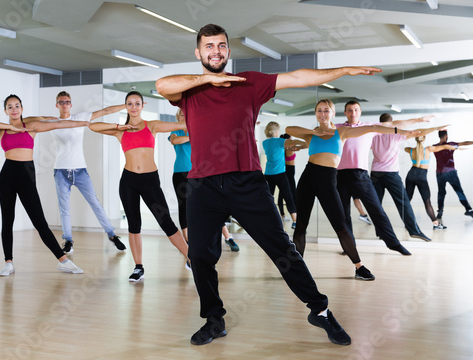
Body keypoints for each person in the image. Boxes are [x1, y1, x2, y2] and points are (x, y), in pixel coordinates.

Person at [156, 23, 382, 346]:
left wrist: (343, 70)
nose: (216, 51)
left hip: (246, 181)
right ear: (199, 52)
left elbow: (298, 77)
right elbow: (162, 84)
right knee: (201, 256)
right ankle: (214, 318)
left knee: (282, 250)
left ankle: (319, 309)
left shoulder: (249, 82)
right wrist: (207, 78)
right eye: (209, 47)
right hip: (202, 185)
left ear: (228, 51)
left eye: (221, 45)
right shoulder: (189, 90)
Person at [287, 99, 417, 281]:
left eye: (326, 111)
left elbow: (373, 128)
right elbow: (289, 130)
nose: (322, 114)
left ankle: (359, 267)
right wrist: (314, 131)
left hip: (328, 180)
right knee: (301, 225)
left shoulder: (342, 131)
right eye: (319, 111)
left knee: (340, 226)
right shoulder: (312, 135)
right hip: (308, 177)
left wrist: (397, 131)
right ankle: (297, 269)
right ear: (316, 113)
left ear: (333, 113)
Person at [0, 94, 87, 276]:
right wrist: (9, 126)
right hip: (6, 176)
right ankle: (8, 262)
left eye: (17, 106)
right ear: (5, 110)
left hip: (25, 176)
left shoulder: (30, 127)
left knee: (40, 222)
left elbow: (59, 124)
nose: (14, 109)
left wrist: (84, 124)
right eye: (10, 107)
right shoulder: (1, 131)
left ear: (22, 109)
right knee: (7, 220)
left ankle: (63, 261)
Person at [89, 91, 190, 282]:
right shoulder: (120, 130)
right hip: (129, 181)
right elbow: (93, 126)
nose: (134, 107)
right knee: (134, 226)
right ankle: (138, 267)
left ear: (143, 105)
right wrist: (119, 123)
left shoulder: (151, 126)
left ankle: (191, 258)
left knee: (166, 222)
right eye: (130, 104)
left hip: (150, 180)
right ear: (126, 106)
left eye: (137, 103)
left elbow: (181, 124)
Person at [27, 91, 127, 255]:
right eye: (61, 102)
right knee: (64, 208)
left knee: (95, 203)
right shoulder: (52, 121)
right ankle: (68, 240)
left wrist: (127, 105)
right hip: (60, 171)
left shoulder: (81, 117)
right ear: (57, 105)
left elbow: (105, 111)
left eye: (67, 101)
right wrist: (44, 117)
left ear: (71, 104)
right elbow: (27, 121)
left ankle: (112, 235)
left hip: (80, 170)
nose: (65, 104)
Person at [336, 101, 427, 255]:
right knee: (343, 214)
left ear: (360, 111)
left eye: (356, 110)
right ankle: (348, 246)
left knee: (377, 210)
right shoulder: (337, 128)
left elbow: (394, 124)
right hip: (340, 175)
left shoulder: (369, 127)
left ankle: (393, 243)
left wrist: (417, 120)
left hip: (361, 175)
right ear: (345, 112)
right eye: (350, 110)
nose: (353, 113)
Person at [169, 108, 239, 251]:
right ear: (179, 117)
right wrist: (193, 136)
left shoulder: (199, 130)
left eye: (187, 114)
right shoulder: (175, 132)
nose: (185, 116)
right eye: (182, 114)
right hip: (180, 173)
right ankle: (189, 243)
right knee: (184, 208)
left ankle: (228, 237)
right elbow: (175, 141)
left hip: (199, 173)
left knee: (209, 205)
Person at [370, 113, 444, 242]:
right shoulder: (395, 134)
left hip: (375, 173)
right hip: (391, 173)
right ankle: (414, 231)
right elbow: (419, 132)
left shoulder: (373, 135)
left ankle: (381, 232)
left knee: (377, 205)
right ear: (392, 122)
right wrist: (436, 128)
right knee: (403, 203)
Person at [404, 135, 457, 230]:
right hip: (421, 177)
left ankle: (407, 223)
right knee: (427, 202)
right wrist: (456, 147)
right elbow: (444, 146)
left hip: (410, 175)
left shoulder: (410, 150)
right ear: (424, 140)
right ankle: (436, 224)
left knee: (407, 200)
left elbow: (405, 148)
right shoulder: (428, 149)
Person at [262, 121, 306, 229]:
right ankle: (295, 221)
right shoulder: (281, 141)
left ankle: (268, 220)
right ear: (277, 131)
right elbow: (293, 142)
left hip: (268, 174)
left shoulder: (264, 143)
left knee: (269, 198)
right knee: (288, 197)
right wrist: (307, 143)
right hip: (280, 174)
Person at [433, 130, 473, 220]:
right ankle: (468, 209)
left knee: (441, 193)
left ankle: (440, 210)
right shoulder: (451, 145)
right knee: (459, 191)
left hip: (440, 174)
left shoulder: (434, 147)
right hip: (451, 173)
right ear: (446, 136)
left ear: (439, 136)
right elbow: (464, 143)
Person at [277, 133, 297, 222]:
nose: (292, 140)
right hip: (289, 171)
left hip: (287, 170)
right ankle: (294, 214)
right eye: (290, 139)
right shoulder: (290, 148)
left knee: (282, 193)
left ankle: (283, 214)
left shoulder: (283, 149)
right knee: (293, 193)